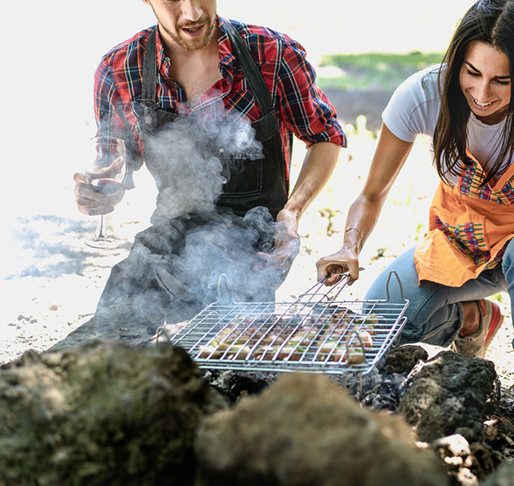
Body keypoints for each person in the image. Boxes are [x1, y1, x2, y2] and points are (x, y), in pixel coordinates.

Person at [316, 0, 514, 434]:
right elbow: (372, 192)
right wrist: (349, 246)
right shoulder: (422, 95)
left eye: (502, 80)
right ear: (458, 61)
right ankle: (474, 318)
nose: (482, 94)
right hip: (459, 238)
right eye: (472, 73)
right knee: (382, 316)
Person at [73, 0, 346, 327]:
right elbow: (116, 162)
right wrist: (102, 193)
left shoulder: (272, 54)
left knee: (230, 349)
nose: (192, 13)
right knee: (115, 327)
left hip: (256, 243)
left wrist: (292, 212)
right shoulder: (119, 69)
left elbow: (325, 137)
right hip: (171, 233)